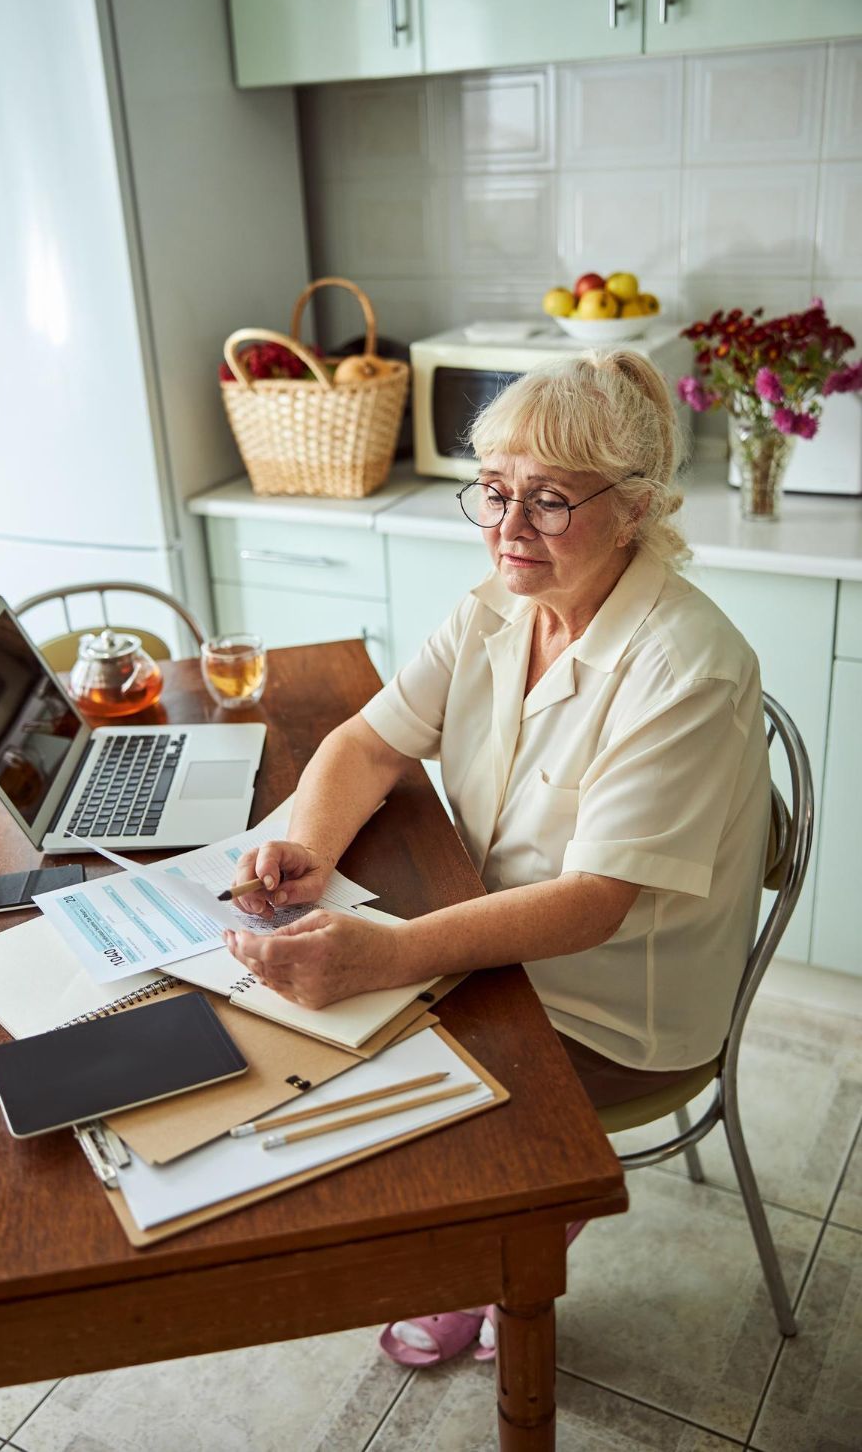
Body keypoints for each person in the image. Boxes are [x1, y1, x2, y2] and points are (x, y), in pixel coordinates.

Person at [222, 349, 772, 1367]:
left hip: (614, 1002)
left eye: (551, 501)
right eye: (496, 492)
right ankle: (481, 1236)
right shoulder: (498, 602)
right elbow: (367, 742)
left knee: (367, 1080)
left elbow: (593, 905)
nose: (509, 529)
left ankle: (500, 1248)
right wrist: (303, 840)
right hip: (502, 940)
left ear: (638, 508)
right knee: (309, 1036)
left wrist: (389, 955)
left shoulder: (686, 668)